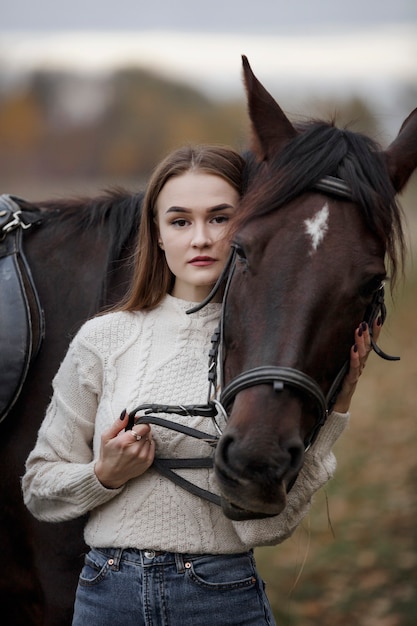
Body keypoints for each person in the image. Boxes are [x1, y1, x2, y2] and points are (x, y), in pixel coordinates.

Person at [22, 144, 378, 626]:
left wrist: (336, 412)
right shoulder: (104, 338)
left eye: (220, 217)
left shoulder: (270, 349)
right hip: (106, 596)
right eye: (180, 221)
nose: (202, 239)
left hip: (220, 595)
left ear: (249, 224)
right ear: (158, 234)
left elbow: (269, 527)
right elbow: (40, 489)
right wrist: (103, 474)